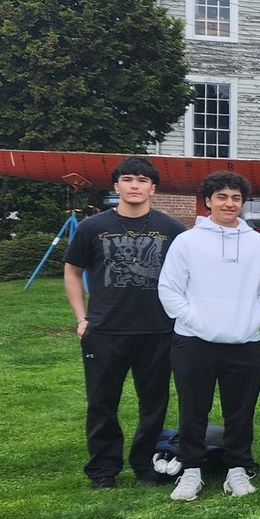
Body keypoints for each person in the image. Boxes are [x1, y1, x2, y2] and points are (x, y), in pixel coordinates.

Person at [63, 156, 188, 489]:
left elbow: (188, 275)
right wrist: (81, 318)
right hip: (105, 331)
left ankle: (145, 463)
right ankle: (103, 469)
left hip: (158, 330)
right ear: (116, 186)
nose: (135, 186)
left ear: (152, 188)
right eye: (128, 179)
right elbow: (72, 272)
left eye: (142, 180)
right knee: (102, 403)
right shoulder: (92, 227)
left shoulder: (173, 229)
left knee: (154, 403)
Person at [157, 171, 260, 501]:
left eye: (236, 198)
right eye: (221, 197)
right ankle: (191, 470)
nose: (229, 203)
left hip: (244, 342)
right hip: (194, 342)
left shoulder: (259, 244)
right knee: (193, 410)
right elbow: (169, 289)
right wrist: (197, 322)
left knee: (241, 412)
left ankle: (237, 468)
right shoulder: (188, 241)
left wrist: (251, 322)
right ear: (208, 201)